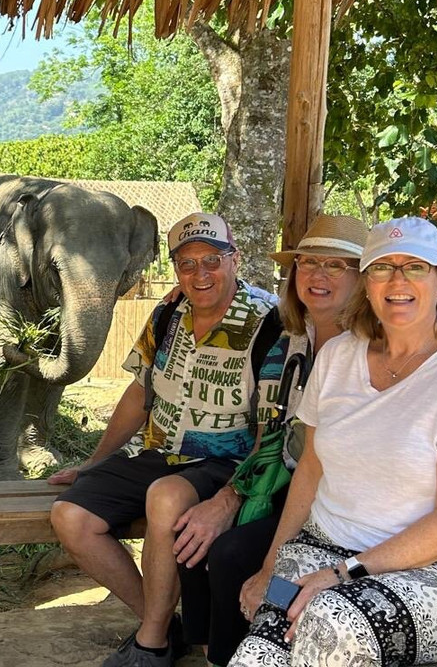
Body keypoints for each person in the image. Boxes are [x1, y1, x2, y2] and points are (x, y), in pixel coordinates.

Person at [229, 216, 437, 667]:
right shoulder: (337, 355)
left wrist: (342, 574)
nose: (397, 281)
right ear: (366, 283)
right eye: (382, 267)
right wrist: (272, 565)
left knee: (331, 620)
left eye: (415, 267)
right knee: (259, 652)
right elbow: (311, 469)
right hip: (328, 549)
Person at [48, 212, 283, 667]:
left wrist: (237, 493)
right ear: (175, 269)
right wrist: (95, 461)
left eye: (212, 260)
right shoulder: (167, 313)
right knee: (70, 516)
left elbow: (272, 428)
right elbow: (141, 392)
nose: (200, 273)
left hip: (230, 461)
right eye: (187, 263)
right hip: (162, 451)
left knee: (166, 496)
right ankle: (163, 625)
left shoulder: (268, 321)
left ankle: (151, 644)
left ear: (234, 259)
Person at [176, 215, 367, 667]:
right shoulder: (291, 339)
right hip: (283, 480)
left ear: (363, 279)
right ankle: (212, 648)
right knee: (194, 531)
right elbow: (270, 437)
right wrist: (232, 496)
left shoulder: (370, 348)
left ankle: (258, 640)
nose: (318, 275)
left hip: (338, 501)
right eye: (308, 262)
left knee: (233, 555)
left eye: (336, 265)